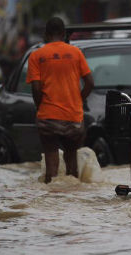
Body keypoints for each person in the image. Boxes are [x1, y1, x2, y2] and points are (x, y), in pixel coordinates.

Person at [26, 17, 94, 183]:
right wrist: (78, 100)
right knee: (72, 165)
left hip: (48, 117)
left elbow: (36, 88)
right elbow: (90, 83)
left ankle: (53, 200)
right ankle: (72, 201)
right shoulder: (76, 53)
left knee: (51, 166)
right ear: (64, 34)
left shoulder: (36, 56)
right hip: (73, 117)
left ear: (46, 34)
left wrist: (40, 107)